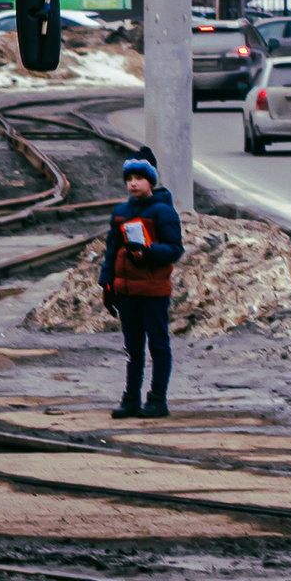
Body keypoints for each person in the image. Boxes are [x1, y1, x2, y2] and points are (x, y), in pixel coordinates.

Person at [99, 149, 183, 422]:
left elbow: (174, 249)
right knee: (132, 349)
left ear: (151, 182)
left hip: (153, 291)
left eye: (139, 178)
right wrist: (107, 286)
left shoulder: (163, 212)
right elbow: (111, 252)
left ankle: (158, 399)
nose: (133, 183)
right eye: (130, 178)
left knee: (158, 346)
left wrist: (148, 251)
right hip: (126, 293)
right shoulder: (121, 212)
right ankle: (131, 399)